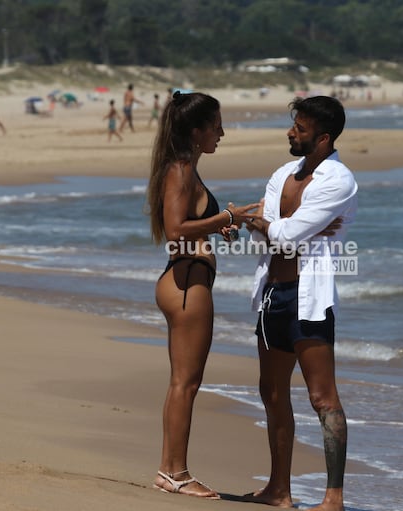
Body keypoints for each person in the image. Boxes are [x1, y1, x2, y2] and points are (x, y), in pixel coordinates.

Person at [243, 96, 358, 511]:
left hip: (308, 299)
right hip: (271, 293)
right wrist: (264, 224)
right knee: (271, 393)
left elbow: (286, 235)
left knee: (322, 398)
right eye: (293, 125)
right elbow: (268, 232)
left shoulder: (338, 180)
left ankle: (334, 498)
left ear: (324, 138)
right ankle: (279, 489)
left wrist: (261, 222)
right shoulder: (282, 174)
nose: (291, 132)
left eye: (301, 128)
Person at [146, 91, 258, 500]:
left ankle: (170, 471)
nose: (222, 133)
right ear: (196, 131)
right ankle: (175, 472)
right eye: (216, 126)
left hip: (183, 279)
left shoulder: (184, 167)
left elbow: (188, 223)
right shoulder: (180, 170)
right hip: (187, 283)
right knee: (186, 384)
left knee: (182, 383)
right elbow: (176, 230)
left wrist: (218, 226)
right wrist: (227, 216)